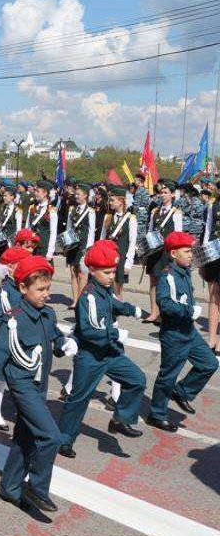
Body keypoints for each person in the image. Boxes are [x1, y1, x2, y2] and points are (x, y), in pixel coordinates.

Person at [0, 256, 77, 513]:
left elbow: (54, 339)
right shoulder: (14, 319)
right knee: (50, 436)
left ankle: (9, 488)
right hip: (22, 386)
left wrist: (64, 344)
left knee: (25, 437)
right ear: (23, 288)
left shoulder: (47, 314)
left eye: (48, 288)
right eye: (40, 289)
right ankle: (36, 488)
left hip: (40, 385)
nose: (46, 294)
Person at [58, 240, 146, 458]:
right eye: (107, 272)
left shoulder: (104, 289)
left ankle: (120, 419)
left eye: (113, 271)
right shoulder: (87, 296)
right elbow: (88, 331)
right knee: (79, 399)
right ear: (93, 270)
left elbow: (114, 304)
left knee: (137, 379)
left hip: (109, 352)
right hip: (90, 355)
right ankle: (64, 439)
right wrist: (116, 334)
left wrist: (133, 310)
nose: (111, 276)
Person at [147, 232, 218, 431]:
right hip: (174, 334)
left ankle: (182, 391)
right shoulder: (167, 275)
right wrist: (189, 310)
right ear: (173, 253)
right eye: (186, 251)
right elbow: (165, 304)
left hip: (189, 330)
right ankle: (156, 413)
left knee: (209, 363)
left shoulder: (184, 269)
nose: (190, 255)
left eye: (191, 251)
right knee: (168, 375)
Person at [0, 246, 32, 431]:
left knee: (24, 377)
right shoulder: (4, 291)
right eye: (21, 265)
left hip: (24, 340)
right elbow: (1, 318)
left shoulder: (24, 286)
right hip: (8, 340)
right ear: (11, 268)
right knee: (1, 379)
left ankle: (25, 410)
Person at [143, 180, 182, 324]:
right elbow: (150, 232)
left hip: (167, 253)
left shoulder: (176, 213)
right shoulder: (155, 212)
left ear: (172, 194)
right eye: (161, 193)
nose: (163, 195)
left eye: (166, 193)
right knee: (153, 281)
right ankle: (154, 312)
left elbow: (178, 236)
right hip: (155, 252)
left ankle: (164, 314)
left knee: (166, 283)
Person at [100, 184, 137, 299]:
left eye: (112, 200)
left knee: (117, 291)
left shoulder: (131, 218)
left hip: (121, 258)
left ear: (121, 201)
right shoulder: (108, 217)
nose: (109, 203)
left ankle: (116, 312)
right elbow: (102, 239)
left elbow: (132, 242)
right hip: (107, 258)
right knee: (105, 288)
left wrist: (129, 262)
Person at [64, 182, 95, 305]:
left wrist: (89, 248)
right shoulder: (72, 209)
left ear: (85, 196)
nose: (76, 196)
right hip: (73, 244)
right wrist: (67, 243)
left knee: (82, 273)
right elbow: (69, 227)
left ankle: (81, 300)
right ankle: (75, 299)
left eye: (78, 194)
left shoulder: (90, 211)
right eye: (75, 194)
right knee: (73, 272)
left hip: (83, 245)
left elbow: (91, 231)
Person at [201, 191, 220, 353]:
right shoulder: (213, 205)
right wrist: (205, 258)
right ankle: (212, 339)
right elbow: (207, 232)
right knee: (214, 296)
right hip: (214, 254)